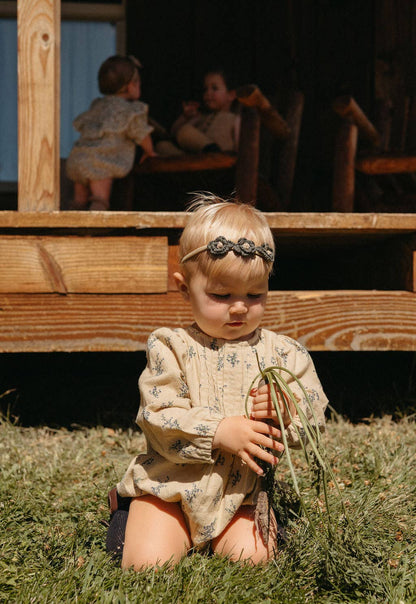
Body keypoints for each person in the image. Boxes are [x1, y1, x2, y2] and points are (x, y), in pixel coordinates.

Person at [109, 193, 328, 570]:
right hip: (172, 488)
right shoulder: (171, 347)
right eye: (221, 294)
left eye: (255, 294)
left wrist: (286, 411)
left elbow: (316, 416)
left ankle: (229, 534)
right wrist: (219, 431)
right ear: (184, 288)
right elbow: (158, 414)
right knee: (147, 565)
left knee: (255, 562)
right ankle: (129, 513)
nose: (240, 306)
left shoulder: (284, 354)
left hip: (241, 495)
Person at [66, 55, 156, 210]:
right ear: (130, 86)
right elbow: (141, 134)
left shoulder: (98, 105)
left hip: (78, 159)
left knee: (79, 201)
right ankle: (94, 229)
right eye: (138, 82)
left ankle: (71, 229)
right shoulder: (131, 110)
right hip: (101, 163)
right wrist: (150, 151)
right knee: (99, 199)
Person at [155, 70, 241, 156]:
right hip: (195, 160)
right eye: (205, 89)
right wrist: (185, 117)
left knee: (185, 131)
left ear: (231, 95)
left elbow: (240, 147)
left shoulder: (235, 119)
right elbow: (175, 133)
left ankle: (213, 152)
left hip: (220, 159)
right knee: (162, 146)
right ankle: (194, 162)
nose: (208, 93)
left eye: (214, 88)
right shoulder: (201, 117)